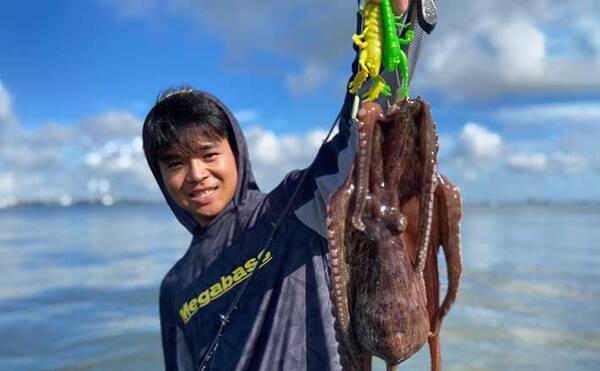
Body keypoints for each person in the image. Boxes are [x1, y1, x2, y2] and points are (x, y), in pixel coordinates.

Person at [142, 1, 413, 370]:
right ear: (160, 175)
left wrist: (390, 17)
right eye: (175, 163)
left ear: (235, 151)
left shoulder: (296, 207)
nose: (196, 174)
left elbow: (363, 130)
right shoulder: (174, 287)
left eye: (208, 154)